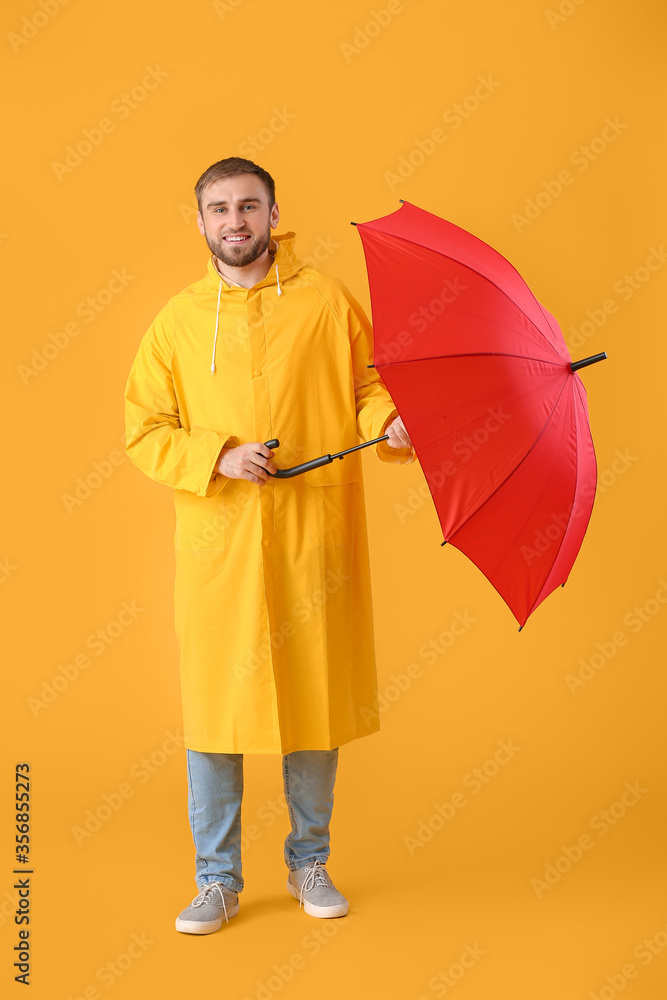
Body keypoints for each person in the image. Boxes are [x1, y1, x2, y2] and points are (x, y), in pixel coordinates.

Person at [123, 157, 414, 935]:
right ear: (200, 223)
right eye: (218, 209)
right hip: (220, 547)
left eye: (248, 205)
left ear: (274, 210)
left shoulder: (324, 300)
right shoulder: (179, 320)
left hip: (311, 539)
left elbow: (367, 387)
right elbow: (144, 428)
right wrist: (216, 455)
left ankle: (308, 860)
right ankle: (215, 879)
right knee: (216, 715)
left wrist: (388, 424)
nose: (235, 221)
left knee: (312, 703)